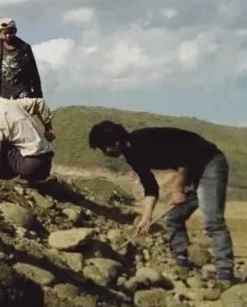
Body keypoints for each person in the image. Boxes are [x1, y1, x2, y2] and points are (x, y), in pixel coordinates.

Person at [87, 120, 235, 286]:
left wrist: (178, 189)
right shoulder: (131, 155)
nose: (105, 153)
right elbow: (150, 186)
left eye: (104, 149)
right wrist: (146, 217)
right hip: (191, 170)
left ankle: (224, 275)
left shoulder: (145, 140)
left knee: (213, 220)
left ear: (115, 142)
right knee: (174, 218)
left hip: (209, 163)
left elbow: (186, 158)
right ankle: (182, 262)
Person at [0, 18, 43, 104]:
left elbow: (33, 72)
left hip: (22, 91)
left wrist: (38, 94)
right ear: (0, 34)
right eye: (5, 33)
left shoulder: (24, 48)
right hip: (3, 93)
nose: (8, 35)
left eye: (10, 32)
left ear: (15, 31)